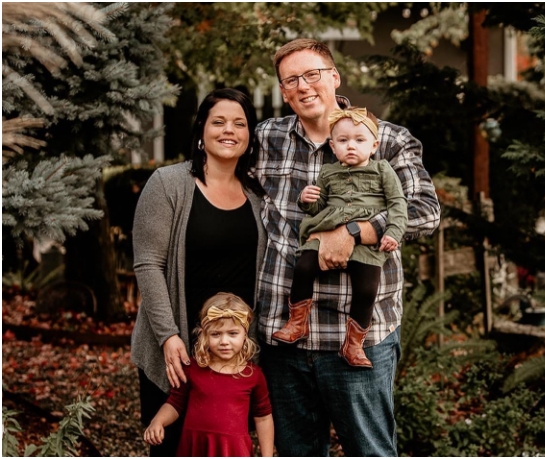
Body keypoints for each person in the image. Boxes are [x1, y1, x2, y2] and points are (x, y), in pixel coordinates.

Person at [253, 38, 441, 457]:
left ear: (334, 77)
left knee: (370, 451)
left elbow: (426, 211)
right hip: (283, 341)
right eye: (291, 80)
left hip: (357, 341)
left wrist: (354, 232)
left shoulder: (386, 140)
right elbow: (217, 159)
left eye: (312, 74)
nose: (303, 86)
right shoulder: (268, 138)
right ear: (283, 91)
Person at [131, 88, 267, 457]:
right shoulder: (168, 184)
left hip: (231, 353)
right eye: (218, 121)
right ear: (202, 131)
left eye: (240, 123)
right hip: (176, 348)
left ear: (250, 135)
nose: (229, 130)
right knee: (172, 446)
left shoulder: (258, 194)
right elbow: (148, 263)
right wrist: (168, 336)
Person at [272, 107, 407, 369]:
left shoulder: (382, 170)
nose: (351, 146)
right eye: (343, 141)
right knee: (303, 267)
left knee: (367, 289)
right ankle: (297, 323)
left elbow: (398, 204)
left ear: (374, 145)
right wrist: (307, 199)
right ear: (333, 147)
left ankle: (354, 344)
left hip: (366, 242)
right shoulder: (328, 172)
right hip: (325, 228)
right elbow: (319, 206)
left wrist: (392, 232)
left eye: (359, 140)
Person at [143, 293, 274, 457]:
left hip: (232, 450)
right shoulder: (192, 368)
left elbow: (263, 418)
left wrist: (267, 456)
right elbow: (175, 403)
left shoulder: (253, 375)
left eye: (232, 333)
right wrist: (158, 421)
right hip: (196, 447)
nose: (224, 341)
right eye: (216, 334)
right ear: (204, 334)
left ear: (245, 334)